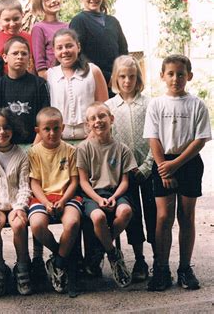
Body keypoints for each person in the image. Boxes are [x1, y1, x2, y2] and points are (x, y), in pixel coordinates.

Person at [143, 54, 211, 291]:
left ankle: (185, 268)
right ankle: (161, 268)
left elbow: (200, 140)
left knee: (186, 216)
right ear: (162, 76)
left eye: (181, 74)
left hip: (188, 163)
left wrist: (177, 165)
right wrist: (165, 168)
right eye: (170, 73)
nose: (175, 78)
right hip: (164, 163)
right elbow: (153, 138)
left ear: (189, 76)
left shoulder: (196, 105)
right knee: (164, 218)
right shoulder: (156, 104)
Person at [105, 55, 156, 282]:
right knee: (132, 217)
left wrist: (146, 166)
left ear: (138, 78)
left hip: (148, 169)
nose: (127, 81)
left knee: (153, 214)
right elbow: (108, 142)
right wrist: (122, 169)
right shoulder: (109, 107)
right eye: (122, 76)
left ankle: (159, 259)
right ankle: (139, 259)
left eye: (132, 76)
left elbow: (157, 138)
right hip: (124, 174)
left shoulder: (149, 104)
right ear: (115, 78)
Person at [77, 102, 137, 288]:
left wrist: (113, 197)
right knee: (98, 216)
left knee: (126, 211)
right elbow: (83, 182)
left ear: (111, 119)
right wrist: (98, 199)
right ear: (87, 124)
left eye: (102, 116)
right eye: (93, 118)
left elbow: (125, 181)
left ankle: (99, 249)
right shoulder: (84, 148)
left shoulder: (122, 149)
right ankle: (113, 254)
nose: (98, 121)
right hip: (92, 194)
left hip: (116, 192)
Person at [27, 107, 82, 296]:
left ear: (63, 128)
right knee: (37, 225)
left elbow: (75, 181)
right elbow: (34, 183)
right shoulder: (34, 152)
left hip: (67, 196)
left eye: (56, 128)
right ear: (38, 131)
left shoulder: (70, 151)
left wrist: (64, 200)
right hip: (42, 197)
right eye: (46, 129)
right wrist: (45, 202)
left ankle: (58, 263)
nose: (52, 133)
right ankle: (61, 254)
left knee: (73, 222)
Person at [0, 108, 32, 296]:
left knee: (19, 224)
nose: (2, 132)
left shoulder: (21, 154)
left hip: (15, 204)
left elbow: (25, 186)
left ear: (13, 129)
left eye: (6, 127)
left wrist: (20, 207)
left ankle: (22, 266)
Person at [69, 0, 128, 96]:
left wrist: (120, 75)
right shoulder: (79, 21)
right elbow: (79, 55)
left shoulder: (113, 21)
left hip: (117, 83)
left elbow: (123, 52)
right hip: (93, 82)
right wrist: (105, 77)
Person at [0, 36, 49, 143]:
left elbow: (45, 119)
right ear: (5, 57)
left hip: (34, 145)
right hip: (4, 145)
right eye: (15, 53)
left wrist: (35, 147)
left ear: (29, 57)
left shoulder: (40, 85)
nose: (20, 57)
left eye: (24, 54)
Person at [47, 28, 108, 141]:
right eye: (59, 48)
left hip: (92, 138)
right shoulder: (50, 75)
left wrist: (90, 139)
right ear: (54, 51)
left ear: (78, 47)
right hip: (60, 141)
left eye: (69, 46)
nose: (65, 51)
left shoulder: (93, 71)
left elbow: (104, 108)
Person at [0, 0, 35, 88]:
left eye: (16, 19)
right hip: (7, 92)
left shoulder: (30, 38)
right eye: (7, 20)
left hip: (30, 89)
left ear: (22, 15)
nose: (12, 24)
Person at [30, 0, 68, 80]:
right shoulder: (39, 28)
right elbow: (40, 66)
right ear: (39, 4)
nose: (54, 1)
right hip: (53, 81)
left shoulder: (68, 26)